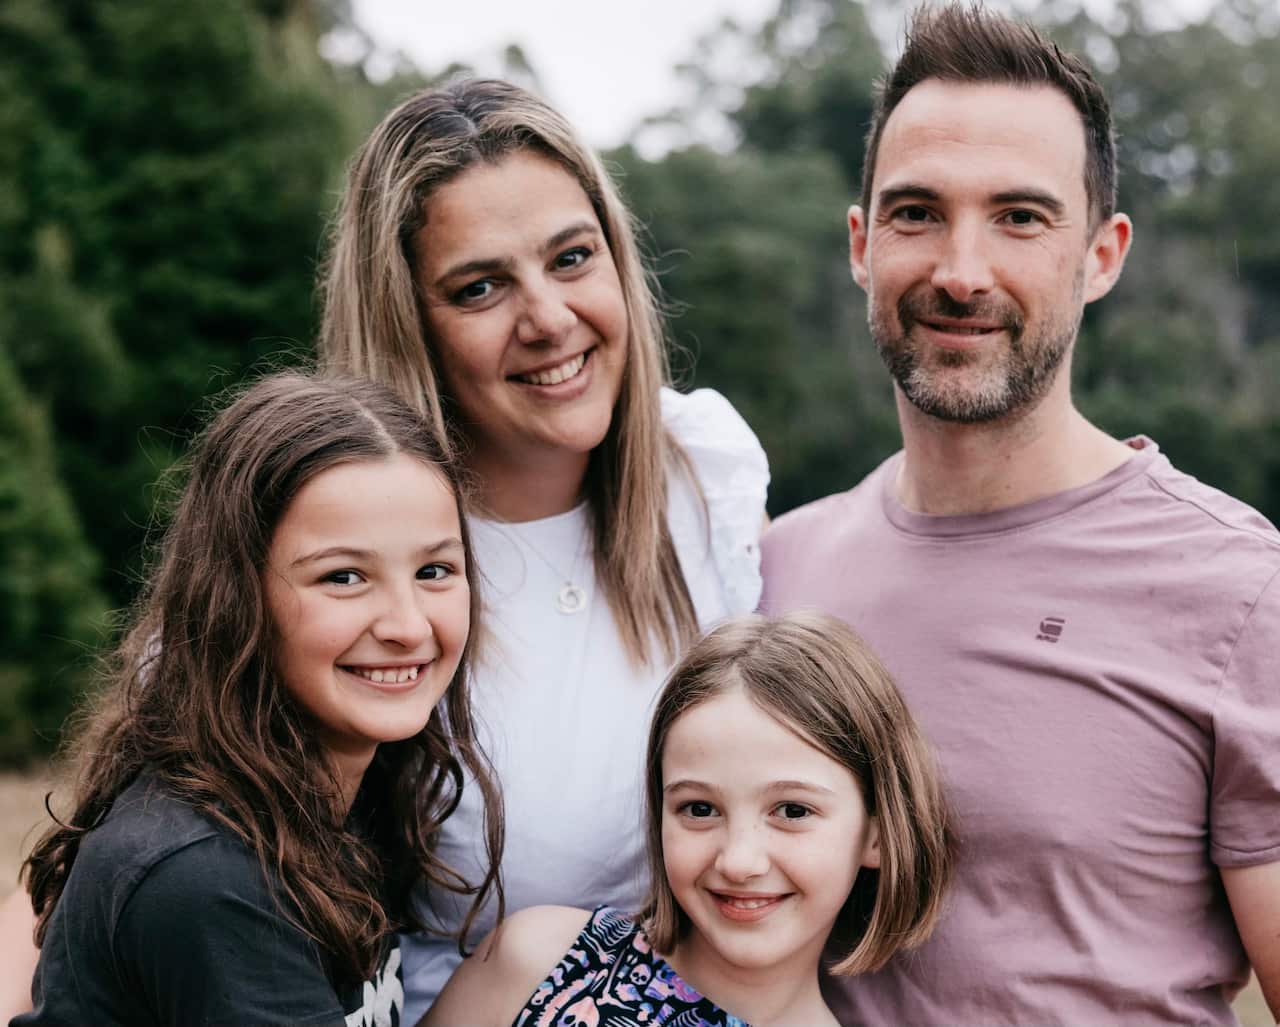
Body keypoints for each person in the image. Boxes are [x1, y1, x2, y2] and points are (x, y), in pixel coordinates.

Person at [761, 6, 1280, 1025]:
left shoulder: (1239, 588)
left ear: (1099, 255)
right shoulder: (776, 569)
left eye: (1018, 217)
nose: (960, 272)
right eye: (916, 213)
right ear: (861, 245)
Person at [318, 78, 769, 1022]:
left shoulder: (705, 477)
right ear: (412, 326)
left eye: (573, 258)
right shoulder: (336, 546)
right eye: (479, 287)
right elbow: (147, 836)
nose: (550, 319)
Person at [11, 372, 502, 1026]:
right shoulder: (211, 872)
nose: (408, 624)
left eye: (434, 570)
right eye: (345, 576)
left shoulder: (349, 789)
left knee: (535, 952)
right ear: (239, 598)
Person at [423, 611, 951, 1026]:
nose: (739, 861)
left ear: (878, 834)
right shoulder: (539, 961)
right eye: (699, 809)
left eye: (792, 811)